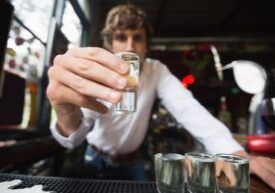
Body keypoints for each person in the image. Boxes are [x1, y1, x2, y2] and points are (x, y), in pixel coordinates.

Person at [47, 3, 275, 188]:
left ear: (147, 45)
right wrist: (65, 110)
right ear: (110, 44)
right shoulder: (96, 72)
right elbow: (73, 138)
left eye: (137, 37)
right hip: (94, 158)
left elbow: (189, 110)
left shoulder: (156, 71)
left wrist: (236, 154)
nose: (131, 46)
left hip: (133, 160)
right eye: (121, 37)